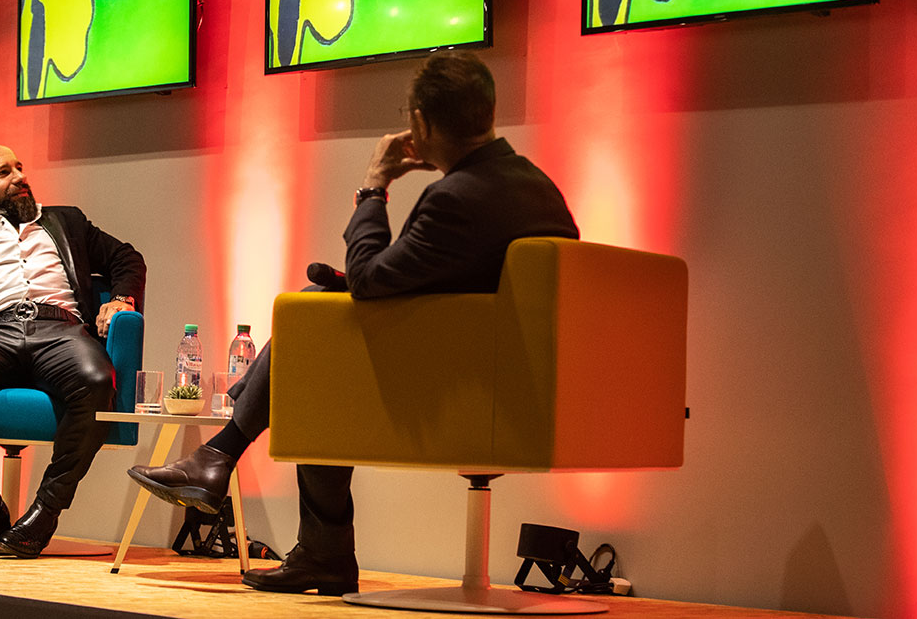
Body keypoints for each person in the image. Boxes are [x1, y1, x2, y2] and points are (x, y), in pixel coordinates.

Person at [127, 51, 578, 594]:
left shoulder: (457, 198)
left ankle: (231, 465)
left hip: (468, 396)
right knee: (318, 312)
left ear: (421, 123)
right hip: (521, 382)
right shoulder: (535, 186)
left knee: (313, 337)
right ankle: (233, 470)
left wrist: (373, 186)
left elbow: (368, 279)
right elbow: (456, 285)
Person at [0, 143, 145, 558]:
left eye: (19, 167)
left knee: (95, 380)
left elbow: (126, 258)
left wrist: (121, 299)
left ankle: (45, 512)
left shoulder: (67, 221)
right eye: (3, 173)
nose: (20, 177)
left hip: (62, 330)